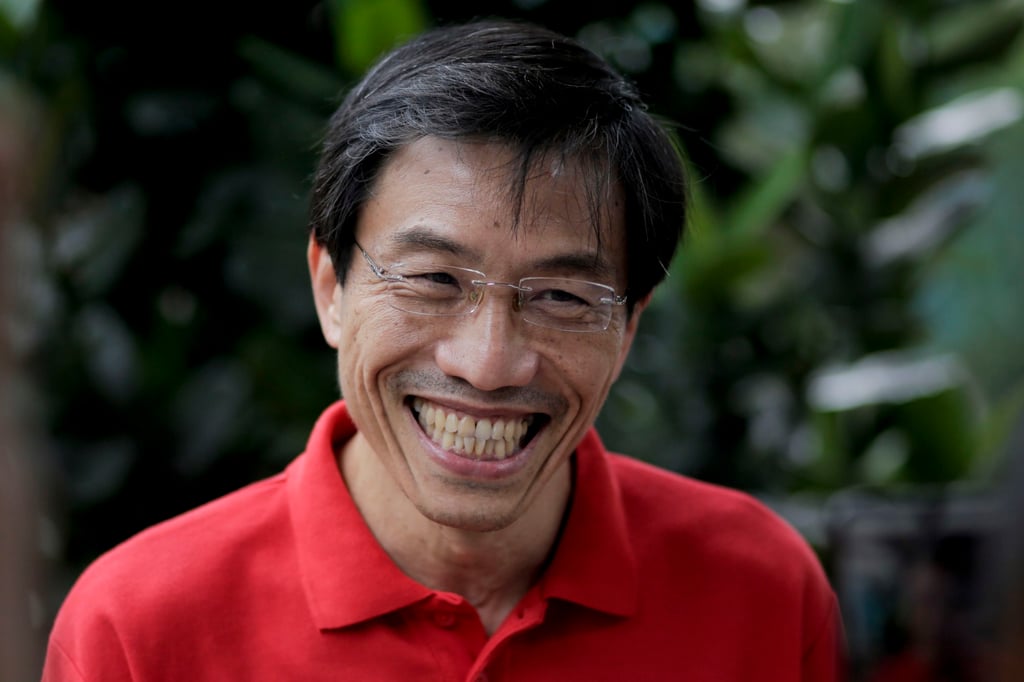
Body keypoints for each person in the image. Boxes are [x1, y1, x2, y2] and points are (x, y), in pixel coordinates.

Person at [42, 19, 842, 681]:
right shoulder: (141, 627)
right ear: (330, 286)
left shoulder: (761, 590)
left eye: (562, 297)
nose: (489, 363)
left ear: (629, 326)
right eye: (432, 280)